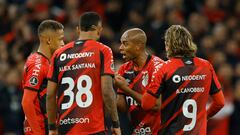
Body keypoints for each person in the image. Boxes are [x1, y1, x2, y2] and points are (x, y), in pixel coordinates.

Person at [141, 25, 225, 134]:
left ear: (168, 45)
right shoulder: (206, 66)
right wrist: (203, 117)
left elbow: (146, 104)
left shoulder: (164, 68)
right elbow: (220, 102)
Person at [46, 12, 121, 135]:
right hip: (93, 127)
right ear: (99, 30)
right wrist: (115, 123)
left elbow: (50, 95)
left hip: (66, 128)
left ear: (78, 30)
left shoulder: (58, 54)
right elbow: (107, 91)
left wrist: (52, 127)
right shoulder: (103, 50)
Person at [114, 28, 163, 135]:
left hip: (158, 131)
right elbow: (122, 107)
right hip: (136, 131)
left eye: (125, 44)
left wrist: (126, 88)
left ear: (138, 46)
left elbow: (155, 105)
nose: (120, 48)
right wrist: (109, 84)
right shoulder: (124, 69)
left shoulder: (157, 67)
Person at [21, 20, 64, 135]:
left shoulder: (46, 62)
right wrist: (37, 132)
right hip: (39, 128)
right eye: (60, 39)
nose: (63, 43)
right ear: (49, 40)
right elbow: (26, 102)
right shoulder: (38, 65)